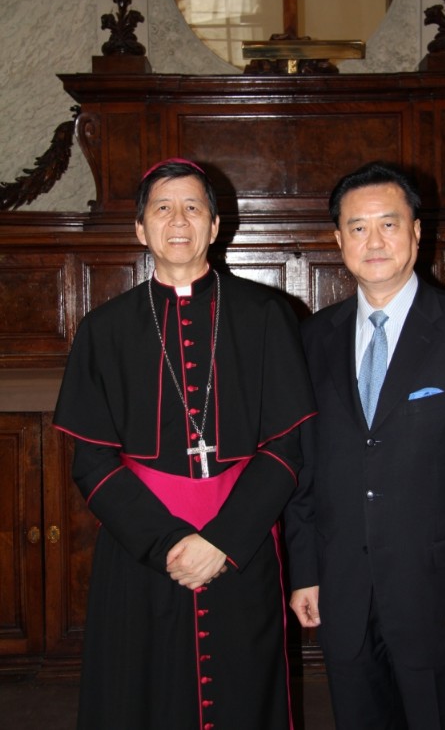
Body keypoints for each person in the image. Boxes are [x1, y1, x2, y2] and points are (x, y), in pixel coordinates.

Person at [53, 158, 316, 730]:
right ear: (141, 229)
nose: (179, 220)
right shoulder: (104, 329)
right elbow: (91, 461)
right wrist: (170, 544)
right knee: (140, 695)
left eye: (194, 207)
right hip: (141, 551)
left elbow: (286, 449)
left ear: (215, 226)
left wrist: (221, 541)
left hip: (240, 544)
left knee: (248, 690)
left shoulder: (267, 315)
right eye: (163, 208)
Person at [284, 161, 445, 730]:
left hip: (442, 598)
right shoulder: (313, 339)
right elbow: (302, 465)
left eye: (389, 224)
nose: (374, 241)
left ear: (417, 231)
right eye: (358, 227)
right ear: (338, 240)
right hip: (344, 593)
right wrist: (305, 570)